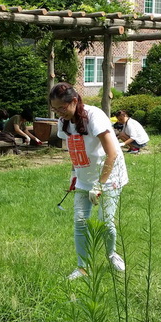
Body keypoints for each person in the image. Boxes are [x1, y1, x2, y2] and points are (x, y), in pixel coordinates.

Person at [50, 82, 129, 280]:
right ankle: (82, 267)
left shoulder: (95, 116)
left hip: (109, 176)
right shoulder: (64, 121)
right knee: (80, 221)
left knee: (105, 221)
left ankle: (112, 255)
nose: (59, 113)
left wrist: (99, 184)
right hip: (84, 177)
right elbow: (75, 149)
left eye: (62, 107)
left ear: (74, 101)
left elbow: (112, 153)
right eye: (55, 109)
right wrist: (74, 173)